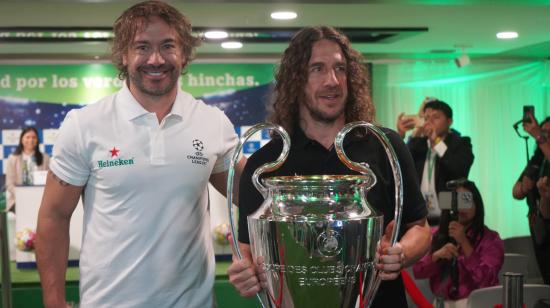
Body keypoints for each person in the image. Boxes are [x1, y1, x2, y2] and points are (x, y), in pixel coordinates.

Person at [35, 1, 245, 307]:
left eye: (167, 46)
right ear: (124, 54)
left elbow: (254, 195)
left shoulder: (212, 122)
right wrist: (53, 300)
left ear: (183, 53)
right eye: (142, 47)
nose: (156, 59)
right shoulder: (84, 125)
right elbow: (54, 216)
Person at [227, 26, 431, 307]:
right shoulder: (266, 164)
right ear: (296, 79)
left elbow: (419, 227)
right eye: (317, 69)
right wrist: (244, 271)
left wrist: (401, 252)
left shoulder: (386, 146)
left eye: (340, 68)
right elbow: (248, 250)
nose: (332, 81)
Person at [413, 180, 504, 308]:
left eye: (466, 200)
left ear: (477, 203)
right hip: (441, 303)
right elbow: (418, 271)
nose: (461, 207)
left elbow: (487, 280)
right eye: (456, 201)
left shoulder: (490, 239)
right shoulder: (436, 234)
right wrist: (435, 257)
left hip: (477, 303)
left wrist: (464, 243)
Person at [397, 99, 474, 225]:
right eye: (426, 118)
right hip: (422, 218)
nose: (430, 121)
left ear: (449, 122)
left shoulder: (462, 142)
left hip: (452, 213)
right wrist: (401, 134)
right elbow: (400, 166)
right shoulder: (419, 143)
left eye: (436, 117)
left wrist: (436, 141)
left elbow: (459, 170)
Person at [512, 115, 550, 284]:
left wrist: (538, 135)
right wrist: (524, 188)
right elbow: (515, 191)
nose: (544, 136)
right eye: (543, 132)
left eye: (549, 133)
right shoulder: (538, 159)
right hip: (538, 225)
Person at [5, 127, 50, 212]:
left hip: (40, 199)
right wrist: (23, 195)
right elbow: (9, 184)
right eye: (28, 137)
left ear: (37, 140)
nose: (31, 140)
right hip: (18, 200)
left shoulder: (45, 158)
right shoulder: (13, 158)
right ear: (22, 139)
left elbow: (49, 182)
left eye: (34, 137)